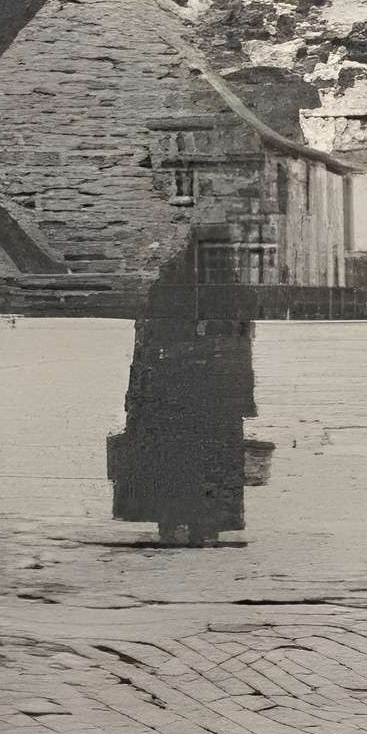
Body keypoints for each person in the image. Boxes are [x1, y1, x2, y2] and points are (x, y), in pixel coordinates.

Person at [111, 234, 257, 548]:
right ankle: (207, 525)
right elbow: (242, 348)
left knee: (172, 458)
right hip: (213, 394)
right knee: (212, 459)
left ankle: (172, 521)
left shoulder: (167, 283)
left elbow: (145, 343)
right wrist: (243, 397)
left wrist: (136, 396)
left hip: (171, 391)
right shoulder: (232, 290)